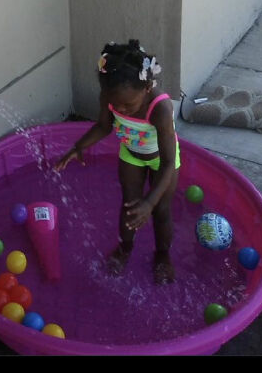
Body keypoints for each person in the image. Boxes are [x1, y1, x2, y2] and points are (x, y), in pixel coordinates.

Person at [54, 39, 180, 284]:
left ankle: (163, 255)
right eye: (117, 104)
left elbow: (167, 162)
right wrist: (78, 147)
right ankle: (125, 249)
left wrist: (150, 202)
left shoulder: (160, 108)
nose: (122, 108)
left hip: (160, 161)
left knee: (161, 210)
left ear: (146, 88)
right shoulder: (109, 97)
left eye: (129, 104)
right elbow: (104, 126)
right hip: (131, 154)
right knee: (129, 205)